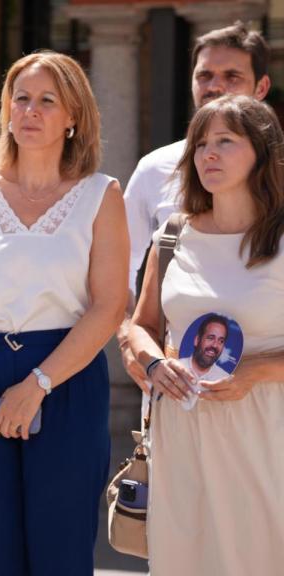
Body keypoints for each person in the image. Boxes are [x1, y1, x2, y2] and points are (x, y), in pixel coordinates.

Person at [0, 51, 128, 575]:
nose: (31, 111)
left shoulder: (100, 194)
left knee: (60, 551)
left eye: (47, 101)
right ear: (6, 110)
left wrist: (38, 380)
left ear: (73, 117)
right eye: (21, 98)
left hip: (66, 372)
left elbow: (110, 305)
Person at [125, 94, 284, 575]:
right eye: (201, 144)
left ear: (262, 151)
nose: (207, 154)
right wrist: (155, 364)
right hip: (183, 434)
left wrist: (257, 370)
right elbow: (140, 326)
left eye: (225, 141)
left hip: (266, 432)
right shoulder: (173, 235)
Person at [119, 22, 270, 387]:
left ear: (261, 87)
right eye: (205, 75)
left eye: (231, 76)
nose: (215, 86)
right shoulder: (154, 169)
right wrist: (132, 345)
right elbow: (116, 273)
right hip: (174, 387)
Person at [179, 314, 231, 381]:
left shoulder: (225, 380)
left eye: (221, 341)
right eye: (210, 338)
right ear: (197, 340)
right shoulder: (175, 369)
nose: (215, 345)